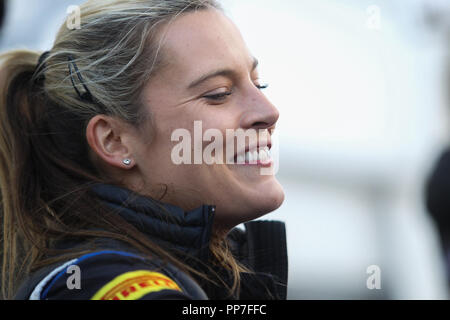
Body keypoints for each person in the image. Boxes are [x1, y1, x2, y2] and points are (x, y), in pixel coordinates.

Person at [0, 0, 287, 300]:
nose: (268, 112)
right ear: (114, 140)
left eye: (259, 84)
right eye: (219, 94)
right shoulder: (100, 283)